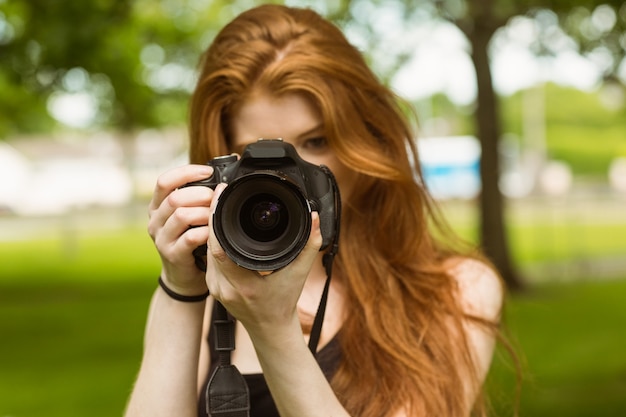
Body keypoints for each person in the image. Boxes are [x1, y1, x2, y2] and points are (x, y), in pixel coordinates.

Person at [124, 4, 507, 417]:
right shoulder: (214, 289)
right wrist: (179, 284)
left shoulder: (453, 292)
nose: (291, 178)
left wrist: (273, 329)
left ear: (367, 142)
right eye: (260, 158)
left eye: (316, 143)